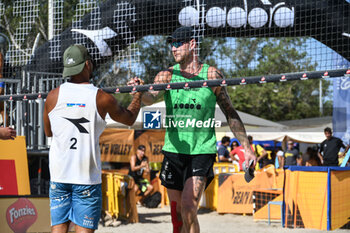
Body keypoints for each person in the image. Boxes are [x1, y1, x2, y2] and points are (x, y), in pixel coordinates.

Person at [142, 26, 256, 233]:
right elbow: (148, 98)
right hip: (173, 151)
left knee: (188, 207)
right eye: (171, 44)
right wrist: (138, 91)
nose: (173, 49)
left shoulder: (212, 74)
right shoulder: (166, 76)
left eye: (178, 43)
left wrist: (247, 147)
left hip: (201, 152)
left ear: (192, 44)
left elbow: (230, 112)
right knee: (177, 216)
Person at [43, 44, 143, 233]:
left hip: (59, 175)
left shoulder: (52, 96)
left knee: (58, 229)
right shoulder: (101, 98)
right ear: (88, 64)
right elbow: (129, 118)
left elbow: (48, 133)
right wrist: (137, 94)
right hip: (86, 178)